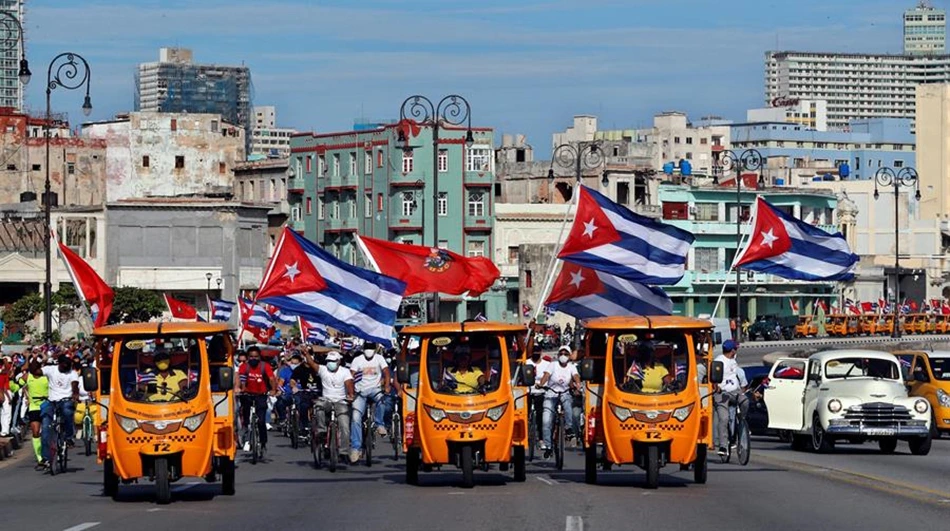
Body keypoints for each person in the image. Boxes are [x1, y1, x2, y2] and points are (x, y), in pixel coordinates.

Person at [348, 343, 391, 464]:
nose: (369, 351)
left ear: (375, 349)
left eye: (371, 349)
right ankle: (356, 448)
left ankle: (379, 424)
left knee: (382, 400)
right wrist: (350, 392)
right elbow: (350, 376)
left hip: (375, 390)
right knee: (356, 418)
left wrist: (387, 386)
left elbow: (386, 372)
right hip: (360, 392)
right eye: (366, 348)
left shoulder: (379, 358)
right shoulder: (357, 360)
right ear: (362, 350)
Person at [536, 347, 580, 453]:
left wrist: (577, 384)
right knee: (546, 419)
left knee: (568, 407)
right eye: (561, 353)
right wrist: (541, 384)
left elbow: (576, 375)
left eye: (566, 353)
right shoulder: (553, 365)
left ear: (569, 356)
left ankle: (568, 428)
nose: (563, 355)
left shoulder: (571, 367)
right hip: (551, 394)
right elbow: (546, 375)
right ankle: (547, 445)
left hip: (565, 393)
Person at [314, 351, 354, 462]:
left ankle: (344, 451)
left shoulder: (345, 372)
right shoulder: (323, 370)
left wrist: (350, 395)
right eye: (328, 361)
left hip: (341, 402)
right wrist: (306, 354)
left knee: (345, 427)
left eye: (333, 361)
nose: (330, 363)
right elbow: (312, 364)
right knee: (318, 407)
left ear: (338, 361)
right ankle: (322, 431)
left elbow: (349, 384)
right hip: (326, 400)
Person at [237, 346, 277, 454]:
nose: (253, 358)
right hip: (247, 394)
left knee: (261, 421)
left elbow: (271, 379)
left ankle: (263, 442)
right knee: (245, 417)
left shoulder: (265, 366)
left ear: (259, 357)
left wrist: (273, 390)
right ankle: (246, 437)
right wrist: (238, 388)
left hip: (261, 395)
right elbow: (240, 379)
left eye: (256, 356)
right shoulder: (244, 367)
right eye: (251, 357)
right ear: (248, 357)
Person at [714, 339, 749, 457]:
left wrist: (743, 390)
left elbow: (740, 379)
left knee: (745, 401)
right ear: (732, 350)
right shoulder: (719, 361)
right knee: (724, 418)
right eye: (735, 349)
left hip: (735, 392)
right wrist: (716, 387)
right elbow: (713, 378)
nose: (736, 351)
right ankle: (723, 446)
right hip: (722, 394)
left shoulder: (734, 362)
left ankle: (742, 421)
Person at [42, 354, 80, 453]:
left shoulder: (73, 373)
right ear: (59, 363)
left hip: (65, 400)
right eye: (64, 364)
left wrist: (75, 394)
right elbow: (35, 371)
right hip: (51, 401)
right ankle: (46, 459)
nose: (67, 366)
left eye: (68, 364)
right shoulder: (51, 369)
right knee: (45, 427)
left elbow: (74, 384)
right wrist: (33, 359)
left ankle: (69, 437)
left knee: (67, 411)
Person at [22, 359, 49, 469]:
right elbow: (15, 386)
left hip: (47, 406)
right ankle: (40, 458)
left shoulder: (46, 377)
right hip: (34, 408)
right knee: (35, 432)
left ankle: (51, 452)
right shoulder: (27, 377)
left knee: (48, 431)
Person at [290, 350, 321, 434]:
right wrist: (294, 386)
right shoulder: (299, 369)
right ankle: (304, 426)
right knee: (303, 406)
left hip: (318, 393)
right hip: (305, 392)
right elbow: (293, 380)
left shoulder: (318, 368)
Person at [525, 348, 548, 447]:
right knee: (524, 414)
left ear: (541, 352)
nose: (536, 354)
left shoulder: (547, 364)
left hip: (541, 392)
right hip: (527, 392)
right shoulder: (526, 363)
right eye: (534, 352)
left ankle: (541, 438)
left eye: (537, 352)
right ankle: (524, 435)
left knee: (540, 416)